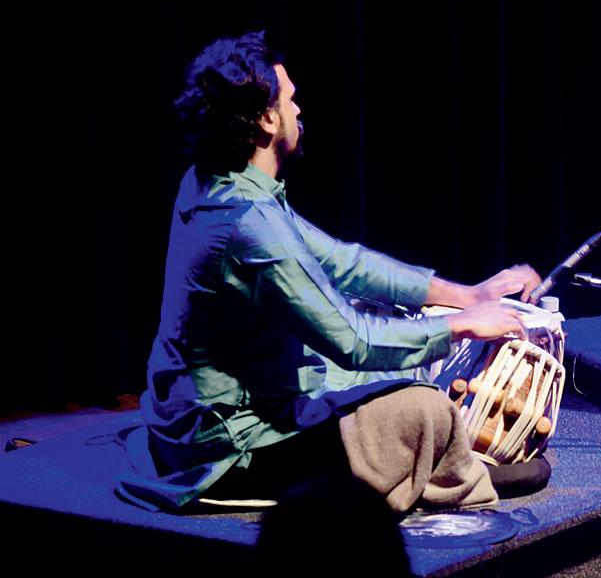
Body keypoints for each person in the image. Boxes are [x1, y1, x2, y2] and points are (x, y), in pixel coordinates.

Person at [117, 30, 540, 513]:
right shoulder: (248, 226)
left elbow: (343, 262)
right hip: (228, 454)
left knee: (364, 350)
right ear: (266, 118)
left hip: (193, 422)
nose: (299, 111)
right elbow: (353, 340)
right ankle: (452, 469)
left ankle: (429, 453)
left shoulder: (218, 183)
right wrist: (460, 324)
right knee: (422, 405)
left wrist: (467, 293)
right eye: (291, 101)